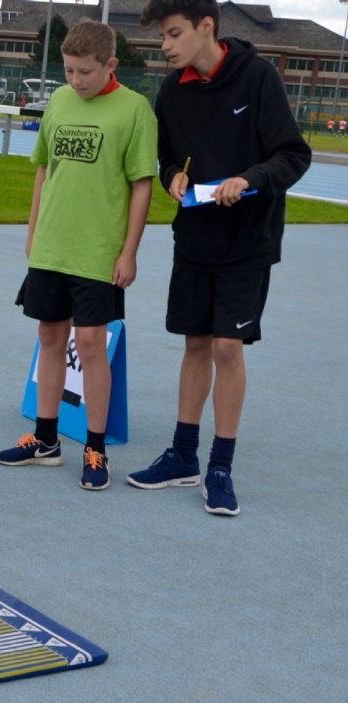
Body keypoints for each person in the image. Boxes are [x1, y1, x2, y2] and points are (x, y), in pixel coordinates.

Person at [128, 0, 312, 516]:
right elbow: (165, 157)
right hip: (195, 238)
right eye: (163, 36)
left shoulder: (259, 78)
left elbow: (293, 155)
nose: (165, 46)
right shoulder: (171, 90)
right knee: (195, 343)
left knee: (227, 348)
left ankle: (220, 467)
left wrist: (249, 179)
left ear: (206, 27)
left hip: (248, 241)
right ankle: (183, 456)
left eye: (173, 34)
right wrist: (173, 177)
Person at [0, 21, 157, 491]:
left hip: (98, 252)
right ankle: (46, 440)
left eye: (85, 71)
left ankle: (95, 447)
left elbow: (142, 185)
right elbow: (44, 169)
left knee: (89, 344)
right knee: (49, 336)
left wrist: (129, 252)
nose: (76, 80)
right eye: (68, 70)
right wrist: (33, 231)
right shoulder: (60, 101)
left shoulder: (135, 110)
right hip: (52, 245)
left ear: (111, 64)